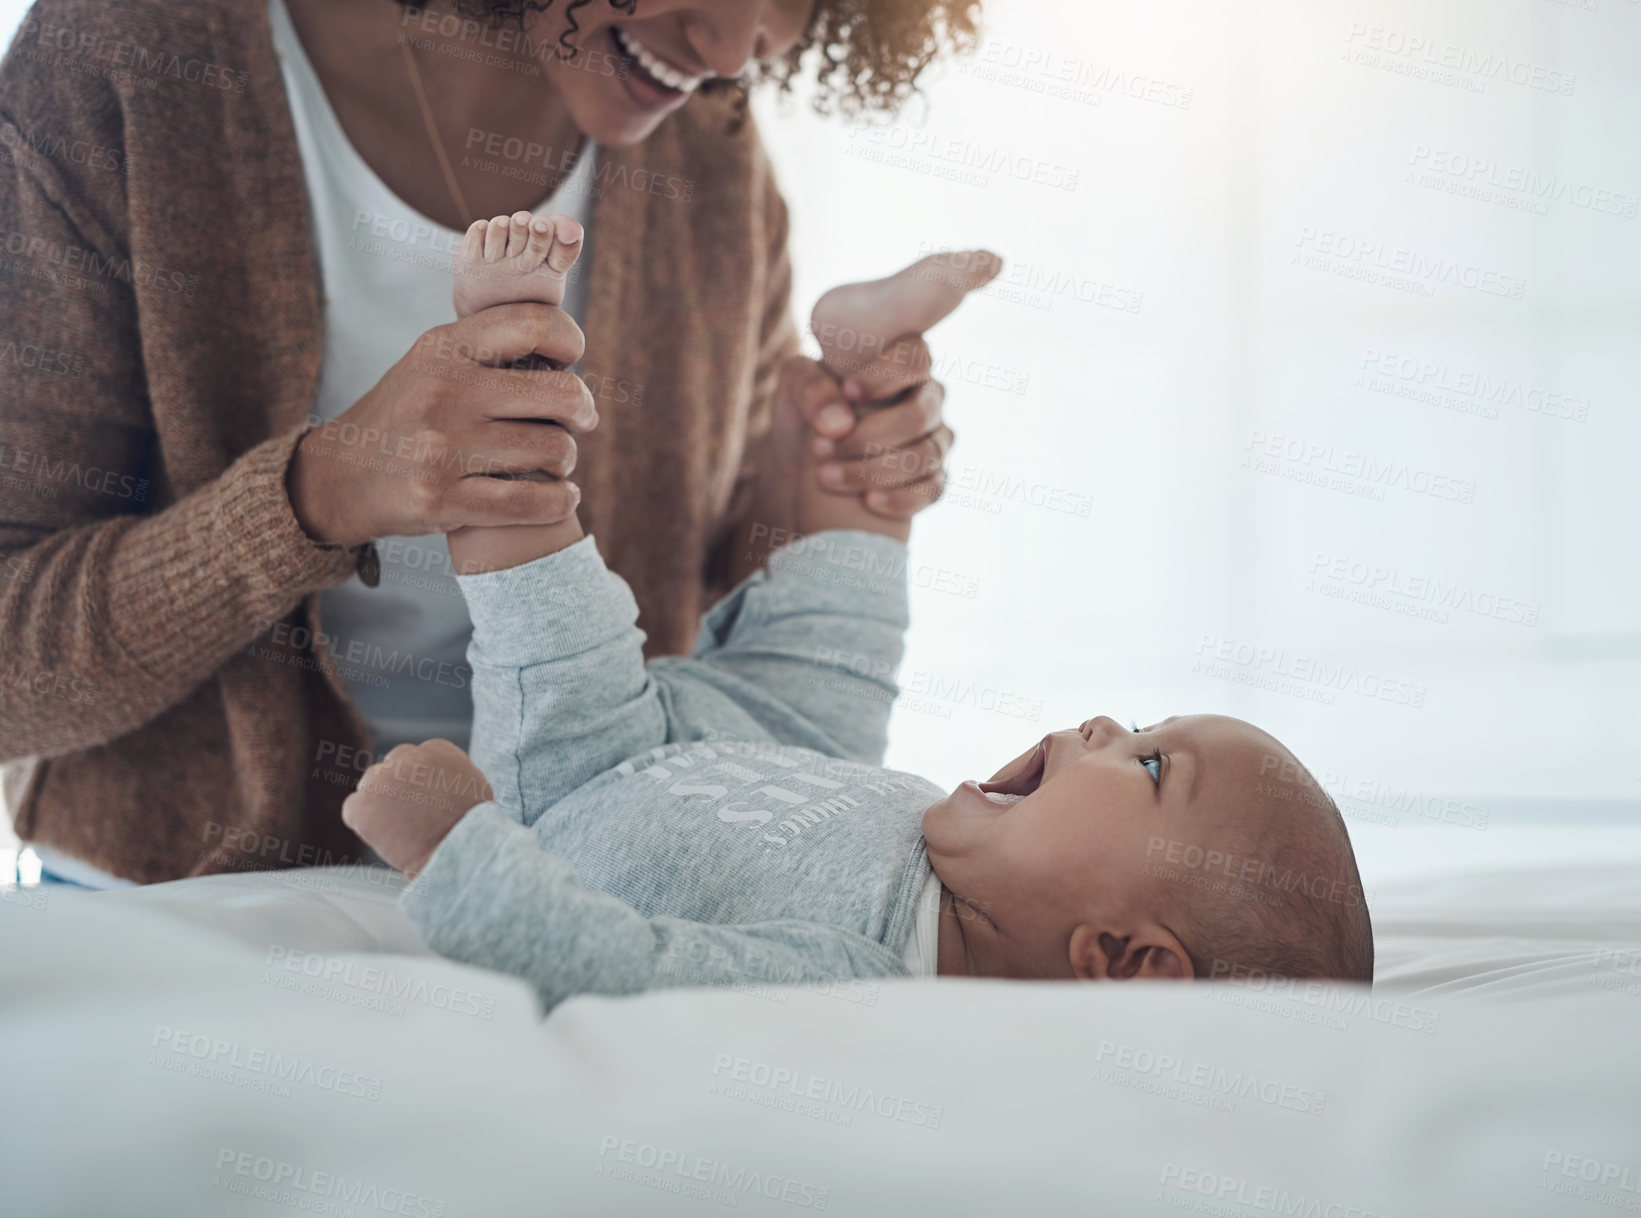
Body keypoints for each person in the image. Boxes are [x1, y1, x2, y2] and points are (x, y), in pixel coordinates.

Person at [0, 0, 981, 886]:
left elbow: (699, 613)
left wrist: (805, 476)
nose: (732, 47)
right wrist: (322, 492)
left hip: (588, 884)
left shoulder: (707, 145)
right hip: (188, 912)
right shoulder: (129, 56)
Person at [337, 234, 1375, 1011]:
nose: (1106, 724)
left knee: (545, 583)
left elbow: (615, 968)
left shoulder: (854, 985)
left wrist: (457, 846)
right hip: (779, 751)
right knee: (845, 625)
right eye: (1146, 722)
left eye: (1150, 766)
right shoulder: (967, 858)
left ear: (1122, 960)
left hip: (587, 777)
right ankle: (863, 366)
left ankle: (510, 361)